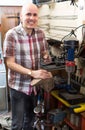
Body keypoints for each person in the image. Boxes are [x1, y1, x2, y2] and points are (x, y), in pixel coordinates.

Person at [3, 2, 52, 130]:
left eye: (35, 15)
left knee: (30, 121)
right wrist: (32, 73)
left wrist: (46, 56)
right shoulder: (11, 35)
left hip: (34, 86)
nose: (32, 18)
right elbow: (10, 63)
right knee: (17, 124)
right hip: (18, 87)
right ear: (21, 16)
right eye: (28, 14)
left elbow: (44, 52)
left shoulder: (40, 33)